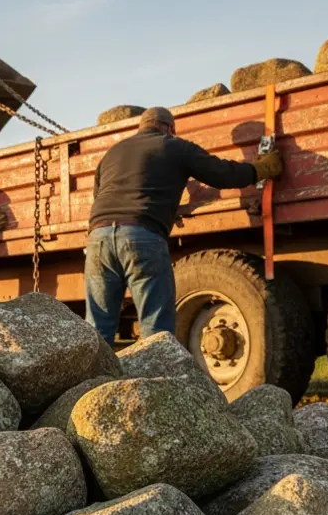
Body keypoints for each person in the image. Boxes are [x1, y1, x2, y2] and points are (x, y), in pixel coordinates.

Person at [84, 106, 283, 342]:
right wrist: (259, 169)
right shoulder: (175, 146)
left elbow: (103, 196)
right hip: (142, 237)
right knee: (155, 329)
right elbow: (221, 173)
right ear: (170, 128)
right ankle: (159, 378)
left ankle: (95, 379)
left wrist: (165, 210)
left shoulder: (113, 152)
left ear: (142, 127)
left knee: (97, 330)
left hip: (98, 238)